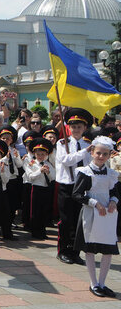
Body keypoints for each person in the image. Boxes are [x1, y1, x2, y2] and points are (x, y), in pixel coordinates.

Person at [72, 136, 119, 298]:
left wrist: (113, 201)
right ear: (92, 152)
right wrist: (94, 203)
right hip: (91, 214)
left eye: (105, 154)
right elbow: (77, 194)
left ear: (109, 155)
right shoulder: (85, 172)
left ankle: (103, 283)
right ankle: (93, 283)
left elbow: (115, 192)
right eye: (98, 153)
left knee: (108, 250)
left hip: (107, 215)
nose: (101, 156)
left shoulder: (112, 174)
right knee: (90, 250)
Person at [56, 107, 93, 265]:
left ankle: (75, 251)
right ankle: (63, 250)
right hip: (66, 185)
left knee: (79, 220)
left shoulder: (87, 144)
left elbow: (90, 165)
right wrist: (84, 152)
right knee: (66, 219)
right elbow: (66, 160)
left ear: (84, 128)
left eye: (79, 127)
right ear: (68, 128)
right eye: (73, 127)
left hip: (81, 186)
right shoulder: (62, 143)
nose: (76, 129)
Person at [24, 137, 55, 240]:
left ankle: (42, 230)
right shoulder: (31, 164)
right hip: (36, 188)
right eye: (38, 154)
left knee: (44, 210)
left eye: (43, 154)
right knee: (35, 211)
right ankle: (35, 231)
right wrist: (39, 171)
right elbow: (30, 176)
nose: (40, 156)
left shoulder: (48, 164)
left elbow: (54, 177)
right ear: (34, 154)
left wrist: (48, 172)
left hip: (46, 188)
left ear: (46, 154)